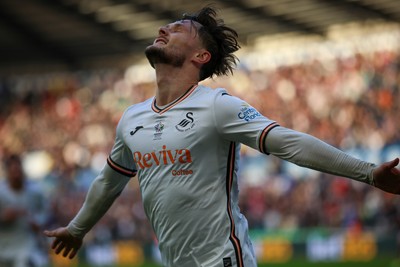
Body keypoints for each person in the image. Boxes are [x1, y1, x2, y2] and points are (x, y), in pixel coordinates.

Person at [44, 6, 400, 267]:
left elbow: (288, 143)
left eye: (178, 28)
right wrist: (77, 229)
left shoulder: (216, 105)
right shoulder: (131, 119)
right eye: (165, 26)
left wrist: (369, 172)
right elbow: (109, 181)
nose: (163, 29)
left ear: (201, 55)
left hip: (224, 261)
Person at [0, 154, 49, 267]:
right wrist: (3, 217)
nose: (17, 175)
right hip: (3, 244)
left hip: (25, 244)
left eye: (19, 170)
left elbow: (44, 212)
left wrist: (38, 222)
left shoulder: (35, 192)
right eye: (13, 171)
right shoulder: (1, 193)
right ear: (7, 172)